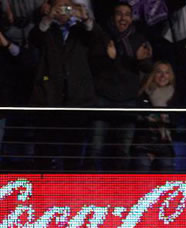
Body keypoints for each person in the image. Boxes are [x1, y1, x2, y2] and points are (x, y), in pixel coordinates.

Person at [29, 0, 99, 170]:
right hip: (49, 99)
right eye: (59, 7)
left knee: (73, 153)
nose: (64, 11)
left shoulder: (81, 30)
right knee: (44, 151)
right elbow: (34, 39)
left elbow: (98, 42)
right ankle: (42, 190)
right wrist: (48, 18)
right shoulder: (46, 29)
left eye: (68, 7)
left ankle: (70, 191)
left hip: (77, 100)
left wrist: (86, 19)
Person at [89, 1, 153, 171]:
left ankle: (119, 190)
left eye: (127, 14)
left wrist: (141, 60)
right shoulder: (102, 36)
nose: (123, 17)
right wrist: (107, 56)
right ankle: (89, 189)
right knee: (96, 147)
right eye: (119, 13)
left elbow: (149, 68)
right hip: (103, 98)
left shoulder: (139, 38)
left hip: (128, 100)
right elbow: (92, 64)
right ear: (113, 17)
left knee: (123, 149)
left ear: (131, 19)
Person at [132, 61, 176, 172]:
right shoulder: (144, 94)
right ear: (153, 75)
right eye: (159, 72)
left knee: (166, 168)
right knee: (143, 165)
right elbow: (140, 120)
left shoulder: (175, 96)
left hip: (165, 144)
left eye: (166, 73)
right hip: (144, 143)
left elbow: (175, 122)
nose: (163, 76)